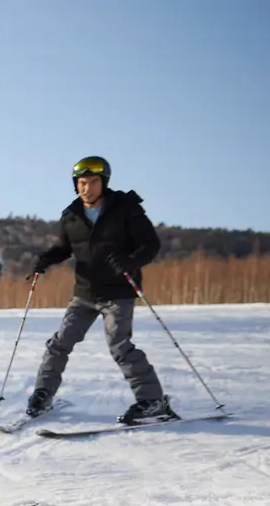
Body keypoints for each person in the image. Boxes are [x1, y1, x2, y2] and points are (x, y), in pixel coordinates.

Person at [23, 156, 175, 425]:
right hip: (85, 292)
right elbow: (64, 248)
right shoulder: (71, 215)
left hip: (119, 291)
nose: (87, 188)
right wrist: (46, 258)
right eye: (82, 183)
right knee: (59, 343)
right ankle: (43, 395)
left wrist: (131, 261)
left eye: (93, 182)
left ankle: (152, 400)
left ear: (103, 183)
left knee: (120, 346)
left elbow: (150, 244)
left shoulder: (126, 209)